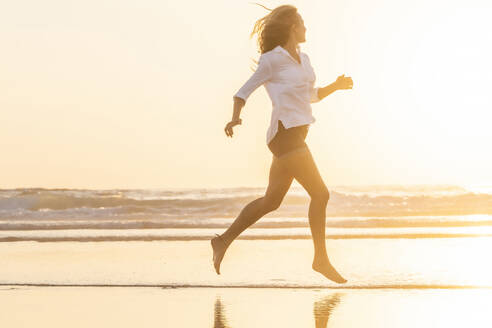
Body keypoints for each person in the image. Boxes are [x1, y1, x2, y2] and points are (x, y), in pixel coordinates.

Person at [211, 4, 353, 284]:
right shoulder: (272, 60)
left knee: (271, 202)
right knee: (321, 194)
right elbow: (242, 92)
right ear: (292, 26)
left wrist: (334, 87)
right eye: (302, 24)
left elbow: (310, 96)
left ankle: (222, 240)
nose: (306, 28)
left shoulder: (305, 59)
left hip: (297, 137)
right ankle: (320, 259)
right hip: (284, 135)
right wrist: (234, 119)